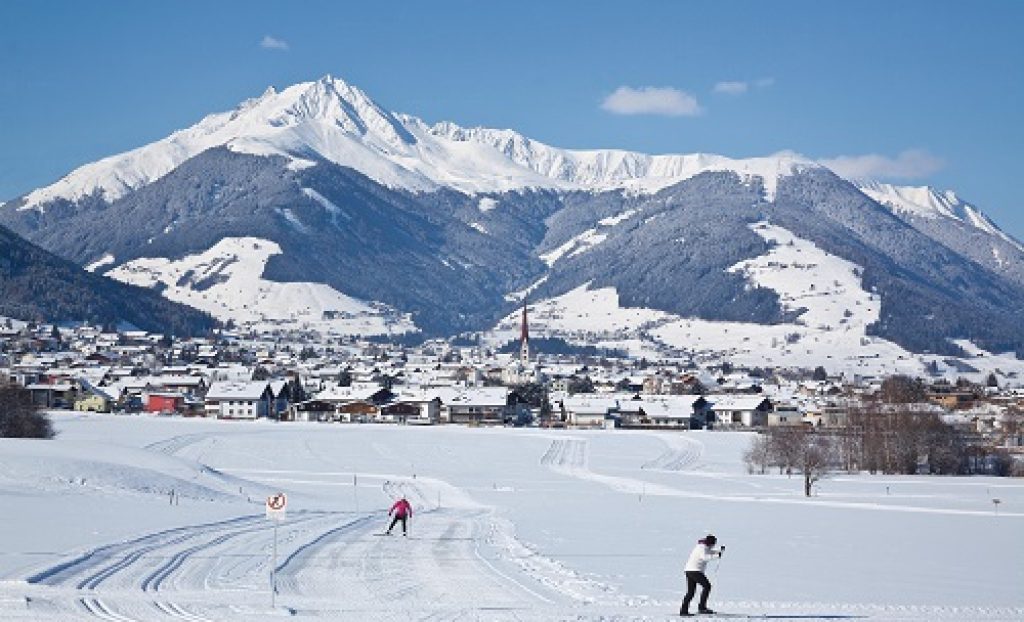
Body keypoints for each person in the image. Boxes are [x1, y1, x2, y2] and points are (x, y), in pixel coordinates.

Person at [680, 534, 724, 616]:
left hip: (690, 570)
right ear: (710, 543)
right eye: (713, 544)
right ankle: (702, 607)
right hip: (695, 571)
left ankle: (684, 611)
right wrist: (717, 556)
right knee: (707, 586)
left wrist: (718, 551)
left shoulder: (703, 546)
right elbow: (705, 557)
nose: (713, 545)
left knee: (691, 592)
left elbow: (709, 551)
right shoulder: (702, 548)